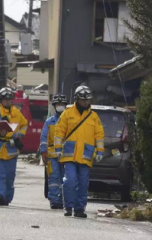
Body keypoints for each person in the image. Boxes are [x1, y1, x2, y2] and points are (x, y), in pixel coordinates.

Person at [54, 85, 104, 218]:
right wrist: (58, 149)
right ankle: (68, 206)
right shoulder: (67, 114)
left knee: (83, 184)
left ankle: (79, 209)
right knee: (70, 181)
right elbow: (59, 132)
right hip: (69, 155)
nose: (85, 102)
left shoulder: (94, 117)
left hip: (86, 156)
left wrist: (100, 151)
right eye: (83, 100)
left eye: (88, 100)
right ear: (77, 99)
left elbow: (99, 135)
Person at [0, 87, 28, 206]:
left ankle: (7, 198)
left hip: (12, 148)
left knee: (10, 175)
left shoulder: (17, 112)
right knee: (0, 174)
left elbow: (24, 124)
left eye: (9, 99)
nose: (7, 101)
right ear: (1, 100)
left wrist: (20, 134)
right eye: (5, 99)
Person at [40, 93, 68, 210]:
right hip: (51, 155)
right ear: (54, 106)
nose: (60, 106)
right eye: (58, 104)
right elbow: (44, 138)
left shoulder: (69, 121)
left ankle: (64, 200)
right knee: (53, 178)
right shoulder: (49, 122)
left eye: (62, 104)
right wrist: (43, 152)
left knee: (65, 178)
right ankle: (55, 200)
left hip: (66, 155)